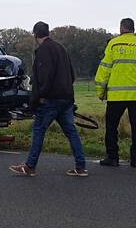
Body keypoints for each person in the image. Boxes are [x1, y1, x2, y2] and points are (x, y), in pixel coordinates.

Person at [9, 22, 88, 177]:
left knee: (39, 130)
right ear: (48, 32)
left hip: (50, 100)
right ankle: (81, 167)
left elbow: (44, 79)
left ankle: (30, 166)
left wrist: (36, 100)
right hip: (66, 99)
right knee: (71, 132)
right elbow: (72, 75)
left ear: (35, 34)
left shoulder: (43, 51)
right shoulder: (61, 49)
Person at [94, 18, 136, 168]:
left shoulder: (113, 44)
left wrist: (100, 91)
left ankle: (112, 157)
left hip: (116, 96)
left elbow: (104, 69)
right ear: (133, 29)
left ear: (121, 28)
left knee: (111, 126)